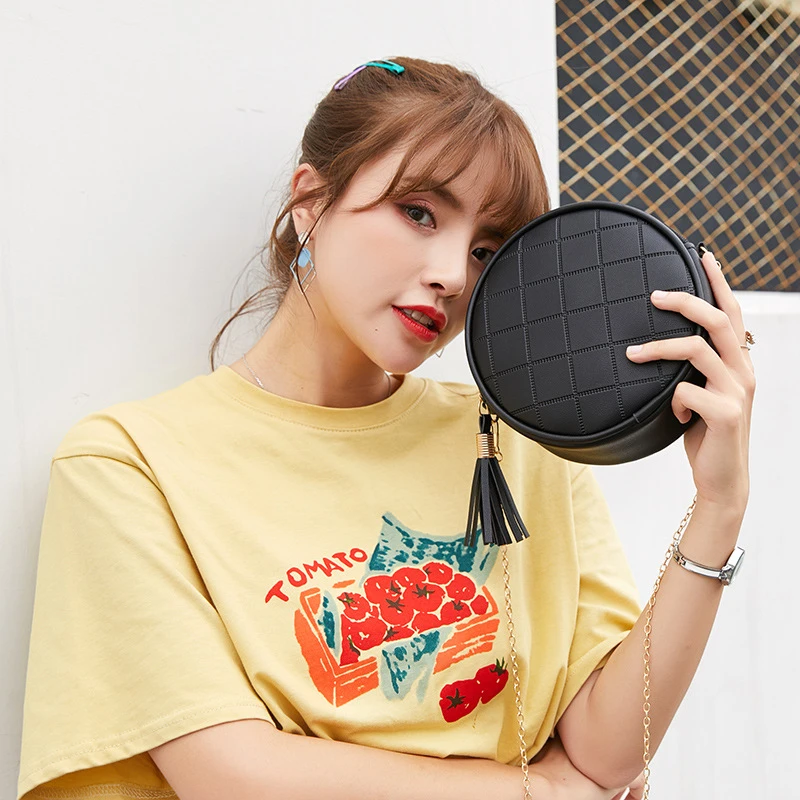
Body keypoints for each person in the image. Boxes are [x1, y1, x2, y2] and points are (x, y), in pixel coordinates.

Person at [17, 57, 754, 800]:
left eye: (486, 250)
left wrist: (719, 508)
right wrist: (539, 792)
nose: (453, 275)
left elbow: (606, 753)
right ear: (311, 201)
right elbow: (231, 775)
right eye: (420, 213)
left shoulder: (517, 443)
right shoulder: (129, 464)